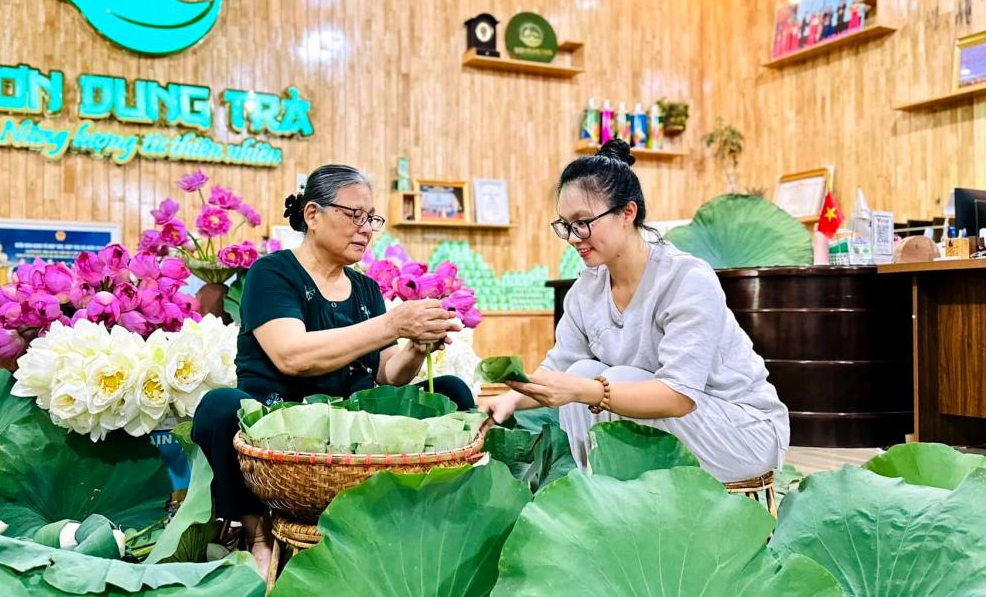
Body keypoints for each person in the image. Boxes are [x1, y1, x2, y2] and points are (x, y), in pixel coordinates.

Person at [191, 164, 472, 577]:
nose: (365, 228)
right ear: (313, 215)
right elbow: (293, 357)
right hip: (278, 426)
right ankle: (257, 536)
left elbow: (388, 375)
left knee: (452, 392)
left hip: (351, 429)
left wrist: (415, 346)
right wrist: (392, 324)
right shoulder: (273, 273)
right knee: (221, 406)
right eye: (354, 214)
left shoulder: (367, 290)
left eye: (371, 218)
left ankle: (437, 527)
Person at [483, 139, 790, 486]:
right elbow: (560, 367)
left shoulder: (686, 279)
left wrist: (586, 390)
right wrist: (508, 399)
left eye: (583, 222)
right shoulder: (587, 287)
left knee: (599, 381)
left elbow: (677, 396)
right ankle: (609, 498)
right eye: (566, 225)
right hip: (672, 429)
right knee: (583, 370)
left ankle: (616, 499)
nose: (572, 237)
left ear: (627, 213)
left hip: (740, 433)